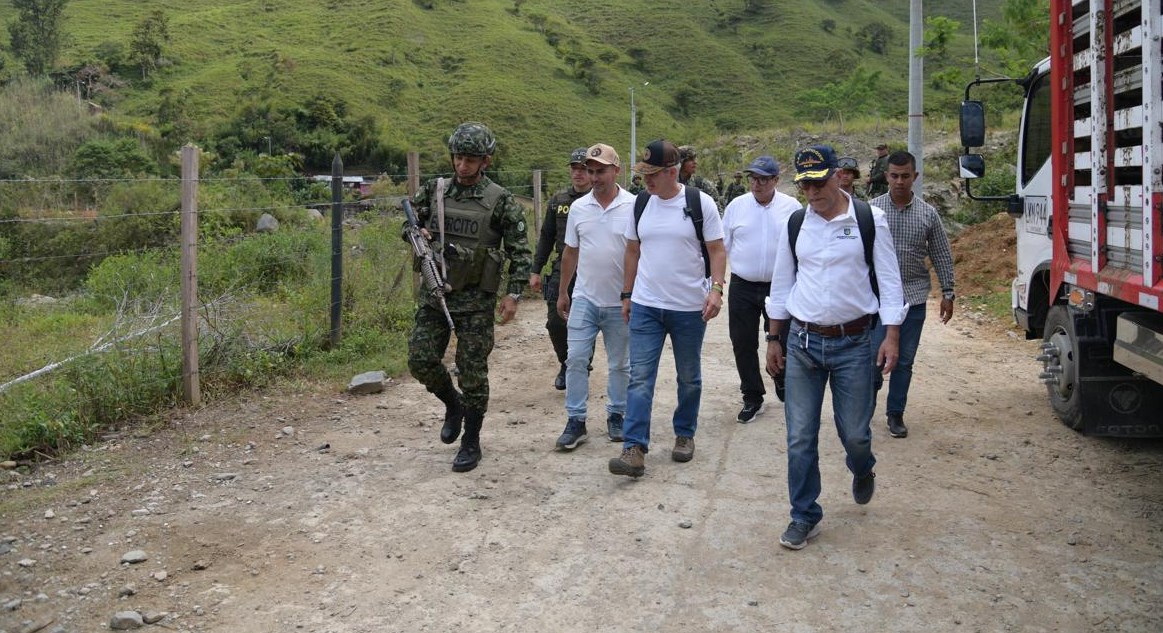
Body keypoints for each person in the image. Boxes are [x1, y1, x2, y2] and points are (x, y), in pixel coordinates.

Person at [764, 144, 906, 549]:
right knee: (800, 436)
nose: (813, 192)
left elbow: (890, 281)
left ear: (838, 177)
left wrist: (891, 334)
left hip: (856, 344)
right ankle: (804, 514)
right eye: (805, 184)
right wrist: (774, 339)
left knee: (856, 434)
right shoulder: (795, 225)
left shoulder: (868, 219)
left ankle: (862, 468)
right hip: (803, 344)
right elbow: (781, 285)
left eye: (819, 182)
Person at [406, 122, 532, 473]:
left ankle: (471, 439)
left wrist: (514, 294)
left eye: (471, 159)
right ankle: (453, 404)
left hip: (477, 300)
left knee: (473, 372)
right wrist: (416, 233)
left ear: (485, 161)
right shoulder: (435, 190)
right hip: (436, 294)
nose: (463, 165)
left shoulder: (501, 200)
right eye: (459, 157)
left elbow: (520, 251)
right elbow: (409, 223)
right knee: (420, 359)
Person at [608, 139, 727, 478]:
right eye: (643, 173)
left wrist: (716, 290)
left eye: (653, 174)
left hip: (689, 308)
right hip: (647, 305)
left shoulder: (699, 203)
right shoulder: (642, 203)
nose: (645, 180)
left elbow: (717, 251)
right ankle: (634, 448)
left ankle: (684, 434)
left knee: (688, 377)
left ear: (672, 172)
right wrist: (627, 294)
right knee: (640, 377)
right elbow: (632, 251)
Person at [868, 150, 955, 439]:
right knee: (873, 358)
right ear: (886, 176)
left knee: (904, 360)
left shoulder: (928, 214)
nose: (900, 181)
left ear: (915, 177)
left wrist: (948, 292)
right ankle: (864, 409)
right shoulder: (872, 211)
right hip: (877, 300)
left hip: (914, 299)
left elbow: (941, 254)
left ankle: (895, 414)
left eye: (906, 176)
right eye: (894, 175)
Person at [554, 143, 635, 450]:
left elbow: (638, 252)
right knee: (574, 359)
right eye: (591, 171)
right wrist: (564, 291)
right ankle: (576, 420)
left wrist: (632, 294)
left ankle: (617, 414)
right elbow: (570, 251)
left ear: (617, 170)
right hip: (585, 298)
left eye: (601, 170)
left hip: (619, 300)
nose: (595, 176)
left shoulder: (633, 206)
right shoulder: (578, 208)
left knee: (619, 364)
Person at [721, 156, 801, 423]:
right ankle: (752, 395)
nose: (757, 184)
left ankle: (780, 377)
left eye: (763, 179)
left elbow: (801, 248)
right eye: (753, 178)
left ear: (776, 180)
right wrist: (716, 284)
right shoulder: (736, 207)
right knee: (742, 342)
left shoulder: (791, 208)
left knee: (783, 339)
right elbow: (723, 248)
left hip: (779, 286)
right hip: (743, 285)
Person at [530, 148, 591, 390]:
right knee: (556, 322)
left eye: (583, 169)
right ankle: (567, 363)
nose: (578, 173)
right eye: (574, 168)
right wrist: (536, 270)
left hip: (591, 269)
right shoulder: (559, 201)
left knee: (586, 320)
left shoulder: (597, 200)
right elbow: (546, 237)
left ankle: (582, 365)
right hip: (562, 268)